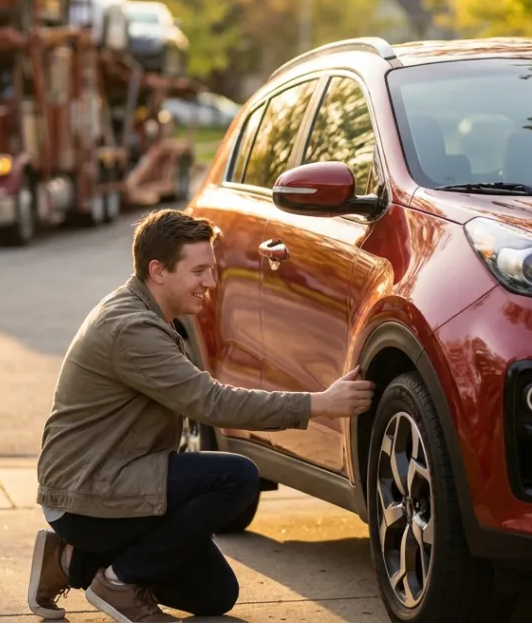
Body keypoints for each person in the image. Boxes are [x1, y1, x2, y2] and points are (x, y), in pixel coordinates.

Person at [26, 209, 376, 622]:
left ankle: (70, 562)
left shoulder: (147, 314)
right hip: (89, 493)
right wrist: (320, 403)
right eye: (199, 271)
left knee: (215, 594)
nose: (210, 283)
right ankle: (118, 584)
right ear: (158, 270)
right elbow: (211, 403)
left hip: (114, 481)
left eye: (211, 270)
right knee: (236, 477)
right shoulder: (132, 331)